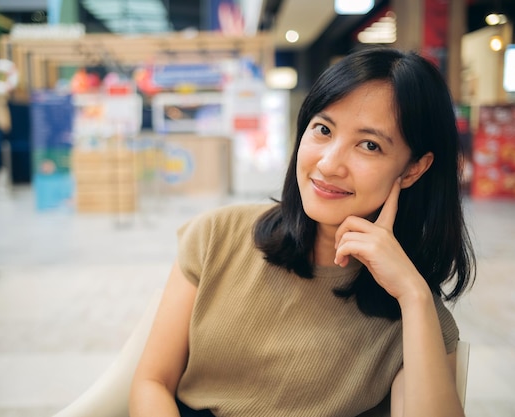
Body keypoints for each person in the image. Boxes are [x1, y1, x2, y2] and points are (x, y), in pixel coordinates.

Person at [129, 47, 476, 417]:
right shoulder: (218, 235)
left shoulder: (414, 316)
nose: (328, 164)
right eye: (323, 129)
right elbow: (152, 382)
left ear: (412, 170)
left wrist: (413, 295)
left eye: (369, 145)